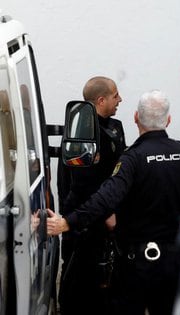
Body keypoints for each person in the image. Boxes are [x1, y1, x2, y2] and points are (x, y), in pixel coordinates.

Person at [49, 89, 180, 315]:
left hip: (137, 264)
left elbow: (106, 197)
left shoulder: (133, 158)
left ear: (135, 118)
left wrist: (68, 222)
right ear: (168, 120)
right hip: (175, 263)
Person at [57, 76, 126, 315]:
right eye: (116, 95)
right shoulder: (82, 130)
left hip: (104, 214)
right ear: (101, 99)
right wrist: (107, 213)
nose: (120, 100)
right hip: (84, 219)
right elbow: (83, 183)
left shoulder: (112, 127)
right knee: (79, 279)